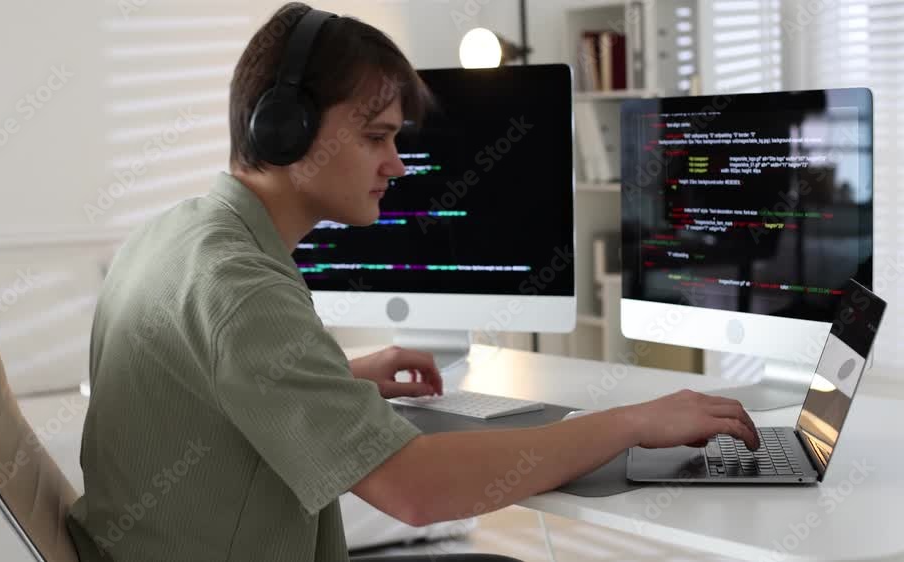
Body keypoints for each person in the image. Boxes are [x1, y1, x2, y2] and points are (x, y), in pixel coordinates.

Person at [66, 3, 760, 561]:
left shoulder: (171, 237)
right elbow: (417, 490)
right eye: (376, 137)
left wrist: (338, 377)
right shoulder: (242, 288)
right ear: (285, 130)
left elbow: (207, 383)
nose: (397, 165)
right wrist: (633, 422)